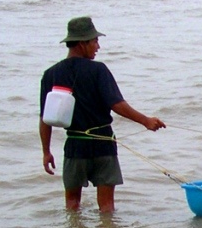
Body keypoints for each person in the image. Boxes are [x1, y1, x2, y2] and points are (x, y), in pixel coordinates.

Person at [39, 16, 165, 213]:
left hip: (75, 145)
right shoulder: (98, 70)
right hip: (103, 144)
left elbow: (45, 118)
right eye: (95, 41)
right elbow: (116, 104)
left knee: (72, 205)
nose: (98, 46)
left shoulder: (51, 74)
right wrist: (145, 121)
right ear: (82, 43)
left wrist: (46, 151)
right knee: (107, 206)